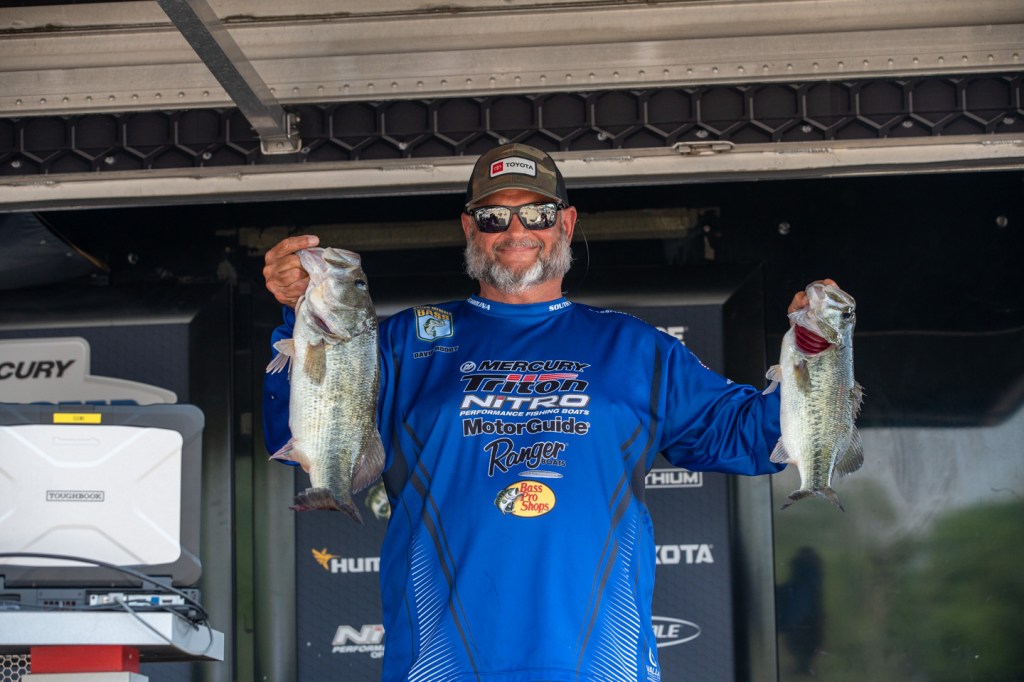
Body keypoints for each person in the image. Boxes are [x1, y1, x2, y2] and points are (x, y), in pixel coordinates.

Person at [263, 143, 821, 682]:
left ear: (567, 223)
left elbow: (753, 438)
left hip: (600, 668)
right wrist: (300, 313)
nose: (516, 230)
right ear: (469, 227)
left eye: (537, 213)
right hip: (440, 667)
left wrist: (818, 356)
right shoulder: (405, 342)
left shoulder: (634, 347)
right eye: (494, 216)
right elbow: (300, 439)